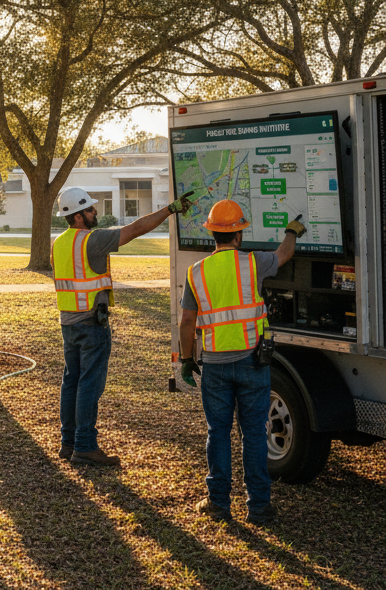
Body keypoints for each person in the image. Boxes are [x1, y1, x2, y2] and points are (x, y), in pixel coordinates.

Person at [178, 199, 304, 525]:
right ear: (238, 235)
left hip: (215, 366)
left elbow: (187, 323)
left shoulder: (196, 272)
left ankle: (218, 504)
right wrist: (291, 231)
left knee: (217, 434)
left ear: (212, 235)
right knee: (253, 435)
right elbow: (284, 254)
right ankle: (259, 508)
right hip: (252, 362)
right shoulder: (253, 263)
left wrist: (187, 361)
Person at [52, 185, 196, 466]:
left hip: (68, 322)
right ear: (78, 217)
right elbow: (136, 228)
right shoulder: (91, 240)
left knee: (71, 382)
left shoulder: (59, 242)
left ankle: (68, 443)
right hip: (91, 324)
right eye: (91, 209)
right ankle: (84, 446)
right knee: (89, 385)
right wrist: (170, 209)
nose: (96, 212)